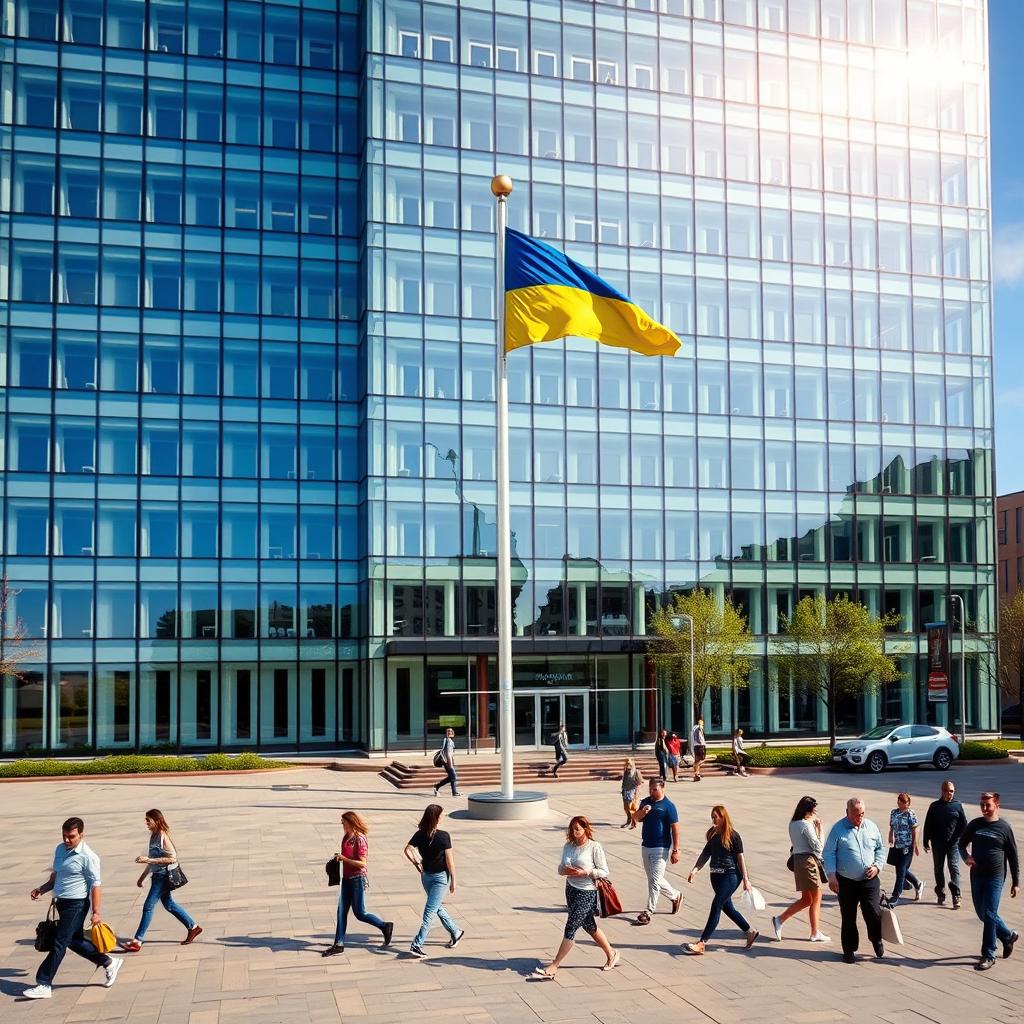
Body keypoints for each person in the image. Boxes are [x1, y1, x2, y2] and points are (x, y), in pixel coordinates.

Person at [24, 817, 123, 1000]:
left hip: (76, 905)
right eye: (64, 836)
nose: (67, 840)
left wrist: (96, 912)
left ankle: (44, 983)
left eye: (71, 836)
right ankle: (109, 962)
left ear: (81, 834)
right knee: (73, 940)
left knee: (59, 942)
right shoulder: (60, 849)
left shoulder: (89, 856)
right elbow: (57, 875)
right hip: (61, 903)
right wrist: (43, 889)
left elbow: (96, 884)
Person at [532, 816, 619, 978]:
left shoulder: (594, 847)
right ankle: (612, 953)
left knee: (571, 927)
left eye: (578, 829)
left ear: (586, 829)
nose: (575, 832)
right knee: (589, 926)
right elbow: (560, 868)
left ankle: (554, 965)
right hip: (571, 889)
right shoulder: (569, 846)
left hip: (587, 891)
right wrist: (565, 870)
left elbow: (604, 871)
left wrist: (585, 872)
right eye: (572, 829)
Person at [120, 809, 202, 953]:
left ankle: (137, 941)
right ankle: (193, 927)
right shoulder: (153, 836)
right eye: (146, 820)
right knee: (169, 904)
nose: (146, 823)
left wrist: (149, 860)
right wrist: (142, 877)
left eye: (148, 820)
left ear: (156, 820)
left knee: (148, 907)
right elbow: (152, 861)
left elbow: (173, 858)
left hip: (163, 877)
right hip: (157, 875)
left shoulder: (163, 836)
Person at [684, 804, 758, 955]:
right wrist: (695, 869)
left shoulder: (733, 835)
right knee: (727, 907)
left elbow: (740, 858)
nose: (713, 820)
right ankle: (749, 931)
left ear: (723, 817)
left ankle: (702, 942)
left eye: (715, 817)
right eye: (712, 817)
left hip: (731, 876)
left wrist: (746, 879)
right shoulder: (712, 834)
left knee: (716, 904)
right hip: (715, 877)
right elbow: (705, 854)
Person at [958, 791, 1020, 971]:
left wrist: (1016, 882)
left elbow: (1013, 856)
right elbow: (961, 843)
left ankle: (989, 954)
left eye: (988, 805)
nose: (984, 809)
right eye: (982, 805)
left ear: (997, 805)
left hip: (995, 876)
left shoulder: (1004, 828)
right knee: (982, 913)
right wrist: (966, 857)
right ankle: (1007, 936)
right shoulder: (975, 824)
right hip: (977, 875)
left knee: (990, 913)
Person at [823, 797, 886, 964]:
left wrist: (877, 866)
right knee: (848, 916)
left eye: (862, 814)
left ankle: (876, 938)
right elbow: (828, 853)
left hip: (869, 880)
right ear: (847, 812)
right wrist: (831, 876)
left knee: (873, 912)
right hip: (846, 881)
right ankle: (849, 949)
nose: (860, 817)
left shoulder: (871, 826)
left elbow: (881, 848)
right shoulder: (838, 829)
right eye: (856, 814)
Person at [322, 811, 394, 957]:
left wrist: (345, 859)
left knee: (360, 913)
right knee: (341, 911)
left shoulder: (360, 839)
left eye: (344, 822)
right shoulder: (346, 837)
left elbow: (363, 863)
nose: (342, 825)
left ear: (351, 822)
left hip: (357, 880)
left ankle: (385, 926)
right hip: (346, 879)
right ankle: (339, 944)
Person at [404, 804, 464, 958]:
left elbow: (407, 849)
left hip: (436, 878)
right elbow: (450, 861)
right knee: (435, 907)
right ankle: (456, 932)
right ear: (436, 818)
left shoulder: (423, 834)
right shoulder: (442, 836)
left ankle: (417, 944)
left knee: (430, 911)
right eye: (441, 815)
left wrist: (417, 863)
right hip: (433, 876)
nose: (442, 817)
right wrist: (454, 881)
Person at [772, 795, 829, 943]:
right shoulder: (805, 825)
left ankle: (780, 919)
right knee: (816, 897)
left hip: (798, 861)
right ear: (808, 811)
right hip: (808, 862)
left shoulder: (793, 823)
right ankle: (815, 932)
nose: (814, 814)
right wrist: (820, 829)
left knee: (806, 899)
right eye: (813, 811)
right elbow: (818, 846)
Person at [632, 777, 683, 924]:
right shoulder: (646, 802)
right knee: (653, 879)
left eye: (655, 789)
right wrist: (643, 811)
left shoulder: (668, 806)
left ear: (662, 788)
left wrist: (676, 849)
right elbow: (635, 818)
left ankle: (648, 911)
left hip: (661, 847)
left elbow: (675, 829)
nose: (652, 792)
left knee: (655, 880)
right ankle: (675, 896)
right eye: (650, 789)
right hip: (646, 845)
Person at [923, 779, 968, 909]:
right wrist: (926, 841)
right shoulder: (934, 806)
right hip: (937, 843)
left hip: (953, 843)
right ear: (942, 791)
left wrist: (963, 841)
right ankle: (940, 891)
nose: (950, 794)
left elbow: (963, 825)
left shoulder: (957, 806)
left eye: (952, 791)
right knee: (938, 868)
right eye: (947, 791)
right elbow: (928, 825)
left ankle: (956, 895)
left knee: (953, 867)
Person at [888, 792, 924, 903]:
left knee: (901, 871)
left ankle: (895, 897)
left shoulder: (910, 814)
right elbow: (892, 826)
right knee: (902, 870)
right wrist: (890, 835)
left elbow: (915, 830)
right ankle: (918, 884)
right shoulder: (894, 812)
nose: (900, 803)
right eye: (899, 800)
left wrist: (915, 845)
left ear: (908, 803)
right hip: (897, 845)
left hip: (907, 846)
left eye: (903, 801)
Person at [432, 727, 459, 797]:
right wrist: (450, 763)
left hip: (448, 761)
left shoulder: (448, 740)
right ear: (446, 733)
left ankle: (437, 786)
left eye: (451, 731)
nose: (450, 732)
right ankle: (454, 792)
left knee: (451, 777)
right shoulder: (448, 740)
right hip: (447, 761)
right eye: (448, 731)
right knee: (453, 776)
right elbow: (447, 752)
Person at [620, 757, 643, 829]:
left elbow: (639, 782)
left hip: (632, 791)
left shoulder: (636, 772)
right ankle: (628, 820)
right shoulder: (625, 771)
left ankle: (633, 822)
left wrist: (637, 793)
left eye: (629, 764)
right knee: (626, 808)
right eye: (626, 764)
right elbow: (624, 781)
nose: (628, 765)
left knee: (632, 808)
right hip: (625, 791)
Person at [691, 717, 706, 782]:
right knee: (703, 759)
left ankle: (697, 775)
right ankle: (695, 767)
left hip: (695, 745)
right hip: (701, 745)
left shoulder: (694, 727)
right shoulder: (700, 727)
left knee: (697, 760)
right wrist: (700, 725)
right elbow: (700, 729)